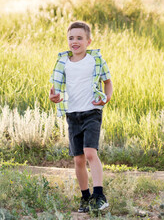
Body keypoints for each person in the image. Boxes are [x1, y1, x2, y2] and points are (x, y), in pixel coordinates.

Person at [49, 21, 113, 213]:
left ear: (88, 41)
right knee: (78, 160)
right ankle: (85, 197)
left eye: (79, 38)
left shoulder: (96, 61)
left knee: (90, 153)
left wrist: (107, 98)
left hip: (92, 112)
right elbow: (55, 90)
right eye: (71, 38)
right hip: (72, 114)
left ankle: (99, 195)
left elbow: (107, 82)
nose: (74, 42)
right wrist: (54, 97)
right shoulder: (63, 63)